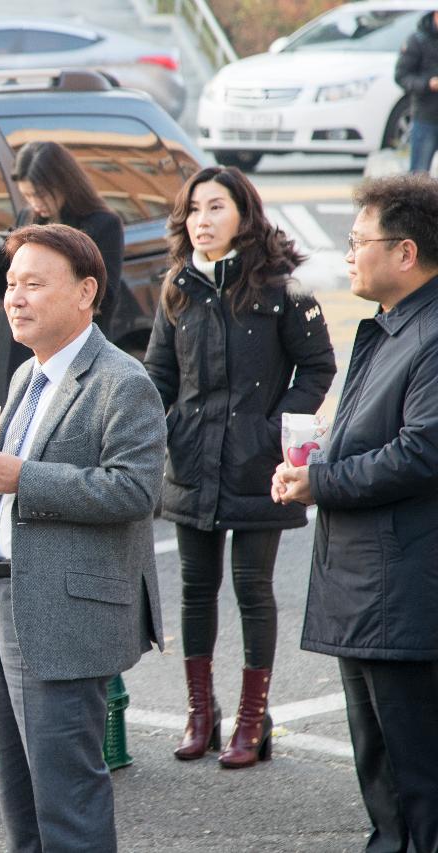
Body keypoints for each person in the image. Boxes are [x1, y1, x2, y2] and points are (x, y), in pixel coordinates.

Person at [0, 224, 164, 852]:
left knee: (67, 802)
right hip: (1, 598)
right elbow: (6, 485)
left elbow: (135, 490)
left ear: (86, 292)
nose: (15, 298)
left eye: (34, 284)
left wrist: (22, 477)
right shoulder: (24, 377)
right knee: (19, 798)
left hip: (64, 613)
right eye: (11, 285)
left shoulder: (123, 381)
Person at [143, 166, 336, 767]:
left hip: (258, 466)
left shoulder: (282, 287)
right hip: (192, 463)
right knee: (196, 591)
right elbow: (157, 375)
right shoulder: (178, 285)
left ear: (243, 215)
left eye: (215, 208)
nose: (202, 220)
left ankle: (253, 721)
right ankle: (202, 713)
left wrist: (275, 428)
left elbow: (319, 367)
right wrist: (168, 425)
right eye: (194, 209)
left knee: (253, 589)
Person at [273, 174, 438, 851]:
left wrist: (324, 479)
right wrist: (319, 458)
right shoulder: (393, 326)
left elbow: (421, 451)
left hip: (399, 587)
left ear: (405, 252)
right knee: (381, 765)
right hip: (367, 584)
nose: (347, 255)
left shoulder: (429, 333)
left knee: (412, 771)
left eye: (357, 242)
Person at [0, 141, 124, 407]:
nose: (36, 204)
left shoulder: (101, 224)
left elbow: (105, 298)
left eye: (41, 194)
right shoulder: (30, 216)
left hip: (68, 346)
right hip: (20, 349)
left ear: (63, 183)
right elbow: (5, 287)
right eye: (28, 195)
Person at [395, 11, 438, 174]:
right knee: (419, 175)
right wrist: (427, 84)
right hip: (426, 116)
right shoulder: (417, 40)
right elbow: (402, 76)